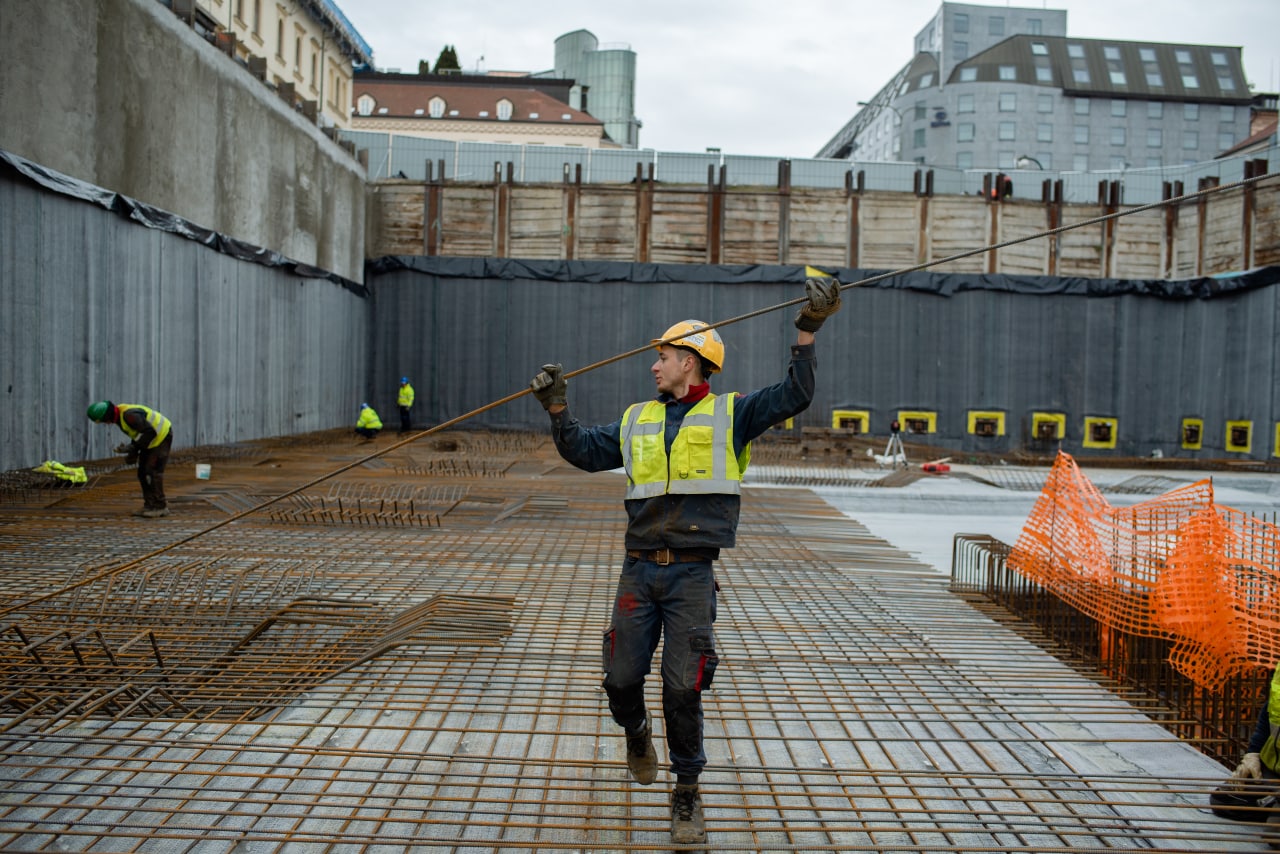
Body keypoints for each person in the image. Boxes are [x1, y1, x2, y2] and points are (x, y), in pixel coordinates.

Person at [528, 277, 842, 844]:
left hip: (692, 574)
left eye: (665, 356)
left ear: (692, 362)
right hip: (639, 569)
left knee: (683, 688)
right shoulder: (635, 420)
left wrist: (808, 330)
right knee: (621, 678)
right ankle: (636, 730)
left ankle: (686, 795)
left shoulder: (733, 414)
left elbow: (795, 394)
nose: (655, 365)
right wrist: (556, 407)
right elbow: (581, 449)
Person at [1212, 664, 1280, 841]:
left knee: (1275, 836)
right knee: (1224, 799)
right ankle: (1272, 801)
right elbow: (1270, 709)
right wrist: (1253, 754)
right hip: (1273, 768)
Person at [86, 400, 173, 518]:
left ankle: (160, 507)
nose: (105, 423)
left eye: (103, 421)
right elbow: (138, 434)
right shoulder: (120, 418)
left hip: (161, 436)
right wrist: (133, 453)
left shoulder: (128, 415)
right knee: (142, 473)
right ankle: (150, 505)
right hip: (151, 440)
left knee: (152, 472)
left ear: (107, 416)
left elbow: (149, 432)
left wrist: (133, 447)